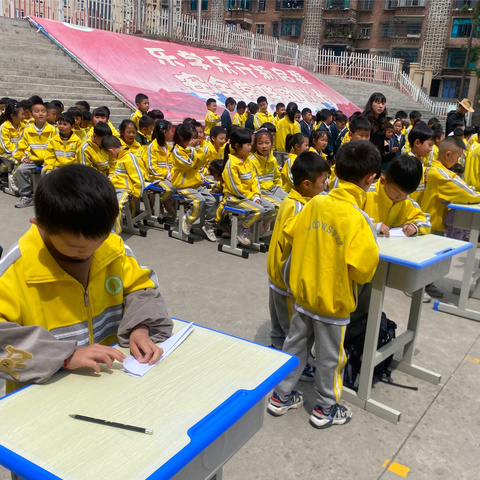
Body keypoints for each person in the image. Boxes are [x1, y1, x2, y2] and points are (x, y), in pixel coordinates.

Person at [0, 163, 173, 394]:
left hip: (109, 381)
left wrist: (139, 328)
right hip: (43, 393)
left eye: (98, 242)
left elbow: (141, 289)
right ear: (40, 227)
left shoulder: (113, 248)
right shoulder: (13, 271)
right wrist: (64, 357)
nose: (87, 253)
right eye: (74, 247)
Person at [267, 140, 380, 428]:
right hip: (334, 303)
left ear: (336, 170)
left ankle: (281, 397)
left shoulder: (314, 202)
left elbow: (293, 234)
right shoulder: (359, 219)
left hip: (303, 296)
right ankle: (325, 408)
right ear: (371, 179)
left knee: (295, 347)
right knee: (331, 358)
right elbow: (364, 271)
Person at [267, 151, 330, 350]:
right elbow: (299, 245)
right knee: (292, 331)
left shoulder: (290, 200)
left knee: (278, 326)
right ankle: (294, 365)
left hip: (276, 274)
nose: (326, 185)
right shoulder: (300, 208)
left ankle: (276, 353)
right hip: (286, 279)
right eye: (323, 181)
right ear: (306, 184)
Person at [222, 128, 275, 246]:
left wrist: (256, 195)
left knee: (271, 208)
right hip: (235, 198)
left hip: (249, 197)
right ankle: (243, 228)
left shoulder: (247, 161)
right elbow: (235, 188)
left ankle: (246, 225)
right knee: (258, 210)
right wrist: (252, 197)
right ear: (237, 146)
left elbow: (254, 181)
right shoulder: (231, 163)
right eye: (248, 145)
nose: (250, 148)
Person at [169, 123, 218, 242]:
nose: (195, 141)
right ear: (182, 138)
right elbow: (188, 164)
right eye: (192, 138)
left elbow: (201, 162)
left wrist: (196, 149)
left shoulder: (194, 149)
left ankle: (208, 226)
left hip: (196, 184)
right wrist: (192, 149)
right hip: (183, 186)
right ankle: (188, 219)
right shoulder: (176, 151)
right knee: (199, 200)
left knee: (212, 200)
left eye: (196, 138)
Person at [422, 136, 480, 235]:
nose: (457, 161)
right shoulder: (440, 175)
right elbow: (467, 193)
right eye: (458, 157)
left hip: (435, 223)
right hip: (433, 227)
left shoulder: (440, 170)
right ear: (448, 154)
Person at [364, 154, 431, 238]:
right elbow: (349, 218)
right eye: (396, 193)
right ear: (383, 181)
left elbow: (426, 221)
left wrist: (415, 226)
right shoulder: (366, 194)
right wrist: (374, 226)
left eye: (405, 195)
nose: (399, 198)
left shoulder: (405, 201)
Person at [13, 99, 56, 208]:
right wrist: (23, 157)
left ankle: (47, 198)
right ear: (31, 115)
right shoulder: (27, 130)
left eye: (43, 111)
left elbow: (57, 146)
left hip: (48, 159)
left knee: (46, 172)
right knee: (21, 170)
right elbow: (19, 147)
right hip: (33, 159)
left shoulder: (53, 129)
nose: (40, 113)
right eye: (37, 111)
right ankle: (26, 196)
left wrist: (50, 161)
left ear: (47, 114)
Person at [104, 135, 144, 234]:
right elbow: (117, 174)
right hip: (115, 188)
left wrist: (136, 192)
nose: (110, 157)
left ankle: (114, 234)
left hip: (125, 189)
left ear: (111, 151)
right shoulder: (120, 158)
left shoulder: (129, 157)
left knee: (116, 207)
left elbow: (138, 176)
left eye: (109, 154)